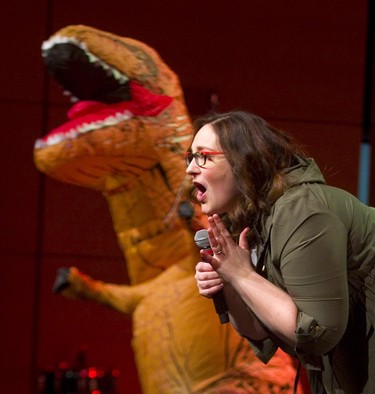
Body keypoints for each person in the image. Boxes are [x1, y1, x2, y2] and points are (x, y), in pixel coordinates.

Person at [184, 110, 375, 394]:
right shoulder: (253, 222)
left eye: (203, 157)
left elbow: (318, 332)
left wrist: (242, 276)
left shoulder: (301, 210)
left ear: (243, 161)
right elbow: (260, 330)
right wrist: (232, 281)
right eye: (190, 157)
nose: (190, 169)